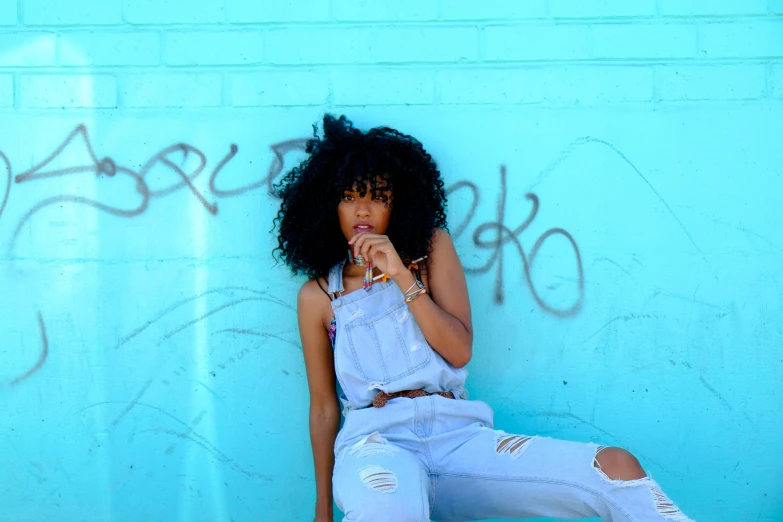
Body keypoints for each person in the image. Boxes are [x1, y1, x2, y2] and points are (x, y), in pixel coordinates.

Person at [274, 114, 693, 522]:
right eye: (350, 196)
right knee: (389, 506)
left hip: (459, 439)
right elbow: (325, 410)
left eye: (378, 196)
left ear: (396, 206)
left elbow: (458, 350)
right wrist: (322, 511)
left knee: (615, 469)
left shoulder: (430, 252)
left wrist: (400, 275)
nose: (362, 210)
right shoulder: (318, 296)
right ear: (329, 204)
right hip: (376, 446)